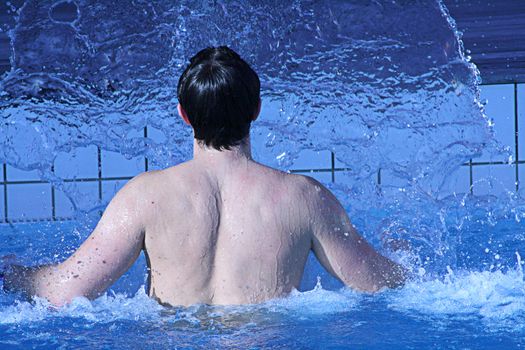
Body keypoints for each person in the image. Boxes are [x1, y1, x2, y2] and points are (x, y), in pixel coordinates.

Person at [2, 46, 407, 307]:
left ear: (183, 114)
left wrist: (12, 271)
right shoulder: (303, 197)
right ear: (256, 110)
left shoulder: (146, 196)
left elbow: (63, 291)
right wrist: (401, 253)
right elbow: (380, 283)